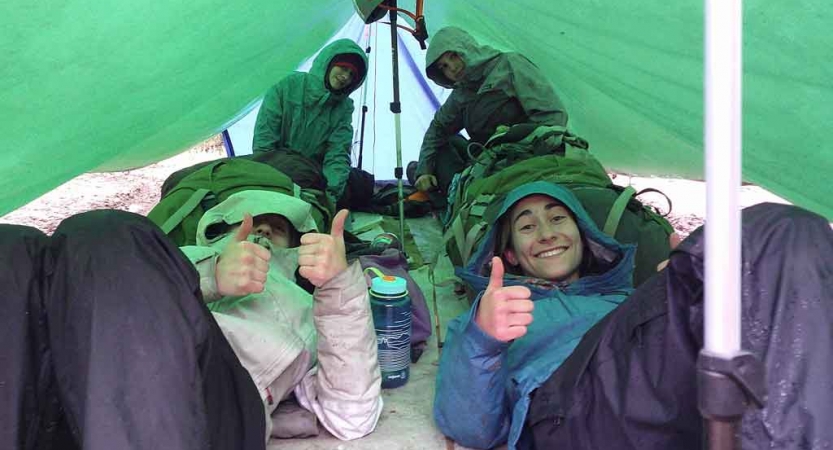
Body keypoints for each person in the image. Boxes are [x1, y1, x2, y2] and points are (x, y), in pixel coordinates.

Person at [434, 181, 833, 449]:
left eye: (558, 218)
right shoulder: (490, 316)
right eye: (527, 226)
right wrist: (483, 340)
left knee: (795, 239)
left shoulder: (623, 298)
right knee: (782, 231)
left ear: (583, 236)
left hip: (677, 405)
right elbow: (470, 429)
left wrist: (684, 297)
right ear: (510, 255)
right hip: (568, 414)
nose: (546, 233)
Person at [1, 190, 383, 450]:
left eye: (279, 230)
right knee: (15, 250)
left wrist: (336, 287)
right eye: (253, 224)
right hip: (74, 397)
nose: (265, 233)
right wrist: (210, 278)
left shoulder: (306, 306)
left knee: (106, 230)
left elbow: (351, 415)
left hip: (201, 410)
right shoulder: (173, 256)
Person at [410, 26, 569, 194]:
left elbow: (553, 117)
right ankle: (437, 183)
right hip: (486, 163)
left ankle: (457, 192)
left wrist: (522, 156)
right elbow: (438, 128)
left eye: (453, 56)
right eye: (443, 67)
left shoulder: (510, 65)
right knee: (446, 145)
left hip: (525, 156)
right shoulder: (460, 94)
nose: (452, 68)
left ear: (466, 47)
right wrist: (424, 170)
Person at [252, 39, 368, 207]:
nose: (345, 77)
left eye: (352, 75)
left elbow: (337, 154)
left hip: (313, 176)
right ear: (329, 63)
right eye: (343, 68)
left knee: (358, 185)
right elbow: (264, 142)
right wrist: (274, 183)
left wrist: (330, 197)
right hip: (275, 166)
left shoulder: (343, 109)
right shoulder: (287, 87)